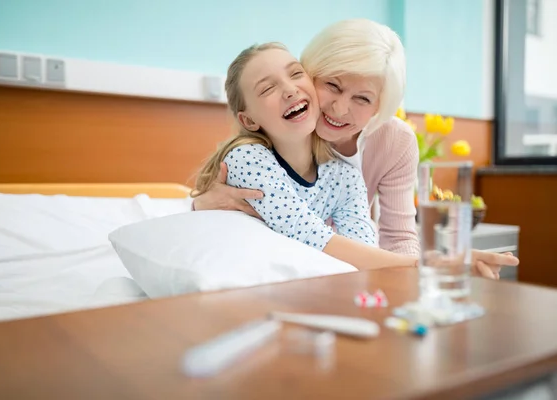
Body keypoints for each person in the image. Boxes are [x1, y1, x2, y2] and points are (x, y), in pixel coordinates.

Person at [192, 19, 518, 279]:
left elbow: (388, 239)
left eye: (363, 99)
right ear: (314, 73)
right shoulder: (252, 156)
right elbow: (308, 235)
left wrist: (425, 269)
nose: (340, 108)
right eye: (332, 85)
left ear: (379, 107)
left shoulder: (348, 171)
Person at [192, 42, 418, 270]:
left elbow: (363, 251)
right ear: (249, 120)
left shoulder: (343, 177)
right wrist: (419, 266)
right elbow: (309, 235)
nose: (290, 90)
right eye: (267, 88)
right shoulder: (247, 160)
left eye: (296, 73)